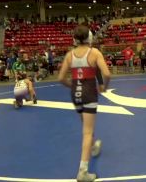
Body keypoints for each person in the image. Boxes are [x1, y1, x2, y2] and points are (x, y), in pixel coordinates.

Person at [58, 25, 111, 182]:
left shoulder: (69, 55)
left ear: (74, 39)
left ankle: (93, 147)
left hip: (76, 94)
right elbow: (107, 74)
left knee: (85, 125)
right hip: (89, 93)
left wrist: (73, 85)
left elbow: (60, 78)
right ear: (90, 37)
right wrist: (103, 87)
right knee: (87, 132)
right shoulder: (94, 53)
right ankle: (82, 171)